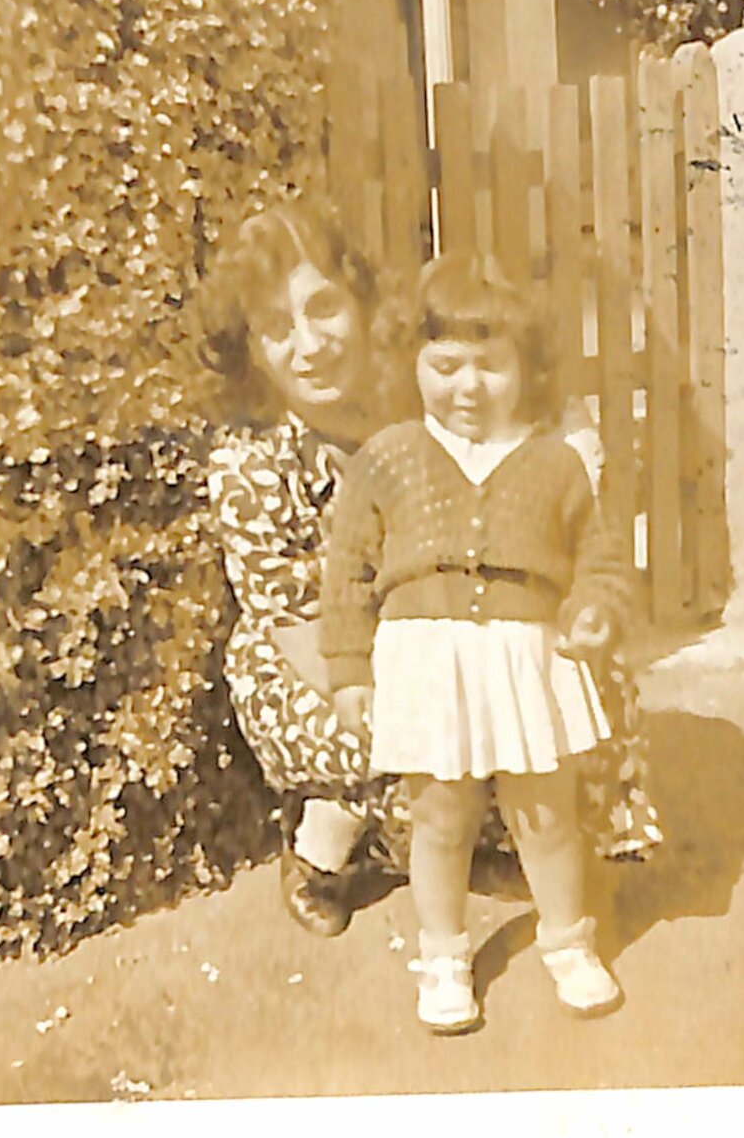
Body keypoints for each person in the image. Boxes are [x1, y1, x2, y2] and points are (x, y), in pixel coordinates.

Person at [319, 252, 636, 1033]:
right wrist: (349, 669)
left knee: (546, 812)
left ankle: (567, 942)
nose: (468, 386)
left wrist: (592, 609)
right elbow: (347, 571)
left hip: (525, 656)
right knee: (439, 815)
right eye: (446, 364)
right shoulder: (387, 456)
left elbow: (599, 559)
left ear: (526, 367)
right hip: (427, 659)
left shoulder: (557, 462)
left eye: (490, 365)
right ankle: (443, 955)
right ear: (412, 364)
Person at [198, 199, 518, 940]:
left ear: (361, 302)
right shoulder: (249, 462)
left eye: (323, 308)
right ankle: (328, 836)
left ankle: (443, 832)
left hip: (432, 629)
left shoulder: (414, 399)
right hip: (320, 663)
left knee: (551, 705)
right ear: (253, 349)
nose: (309, 344)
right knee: (432, 741)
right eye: (278, 327)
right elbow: (299, 634)